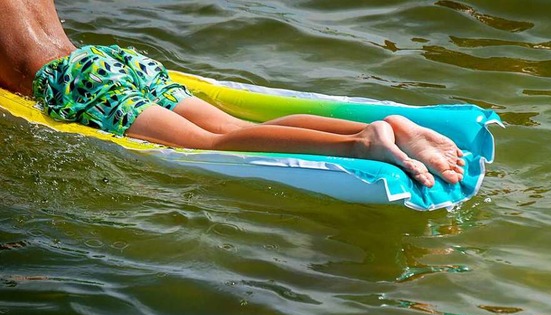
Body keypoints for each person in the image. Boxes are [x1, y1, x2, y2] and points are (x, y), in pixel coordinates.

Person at [0, 0, 465, 188]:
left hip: (69, 83)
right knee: (232, 126)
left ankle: (361, 145)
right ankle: (388, 128)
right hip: (108, 60)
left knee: (210, 142)